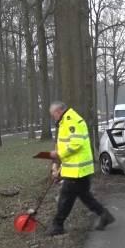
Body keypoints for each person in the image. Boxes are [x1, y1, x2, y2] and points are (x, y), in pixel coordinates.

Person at [47, 101, 115, 236]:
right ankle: (104, 215)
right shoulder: (66, 121)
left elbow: (76, 144)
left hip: (77, 170)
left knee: (65, 198)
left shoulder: (71, 120)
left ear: (58, 111)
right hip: (77, 168)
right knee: (85, 196)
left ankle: (57, 226)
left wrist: (59, 154)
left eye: (53, 114)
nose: (53, 117)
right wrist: (58, 166)